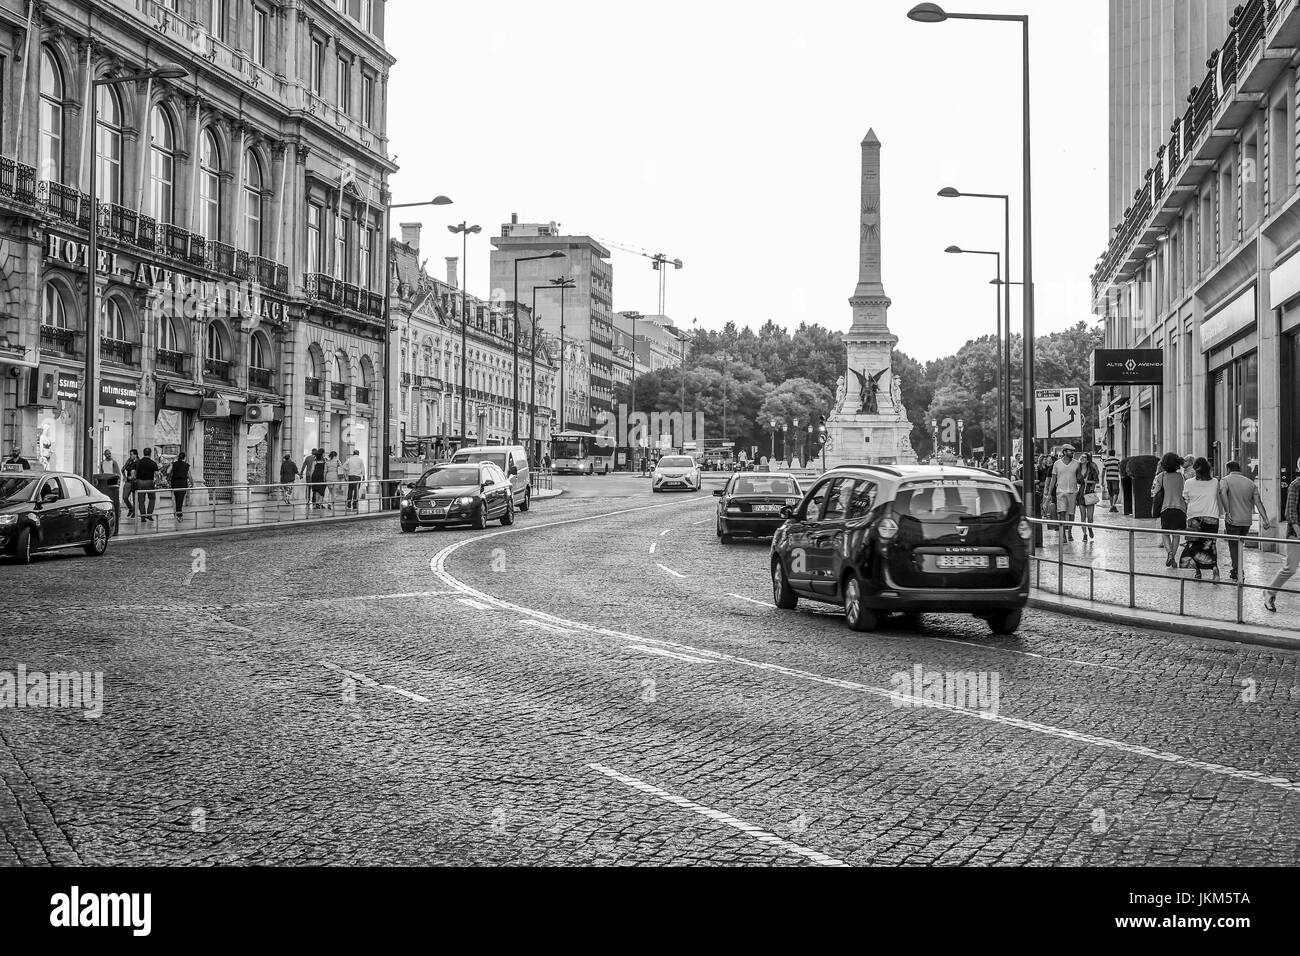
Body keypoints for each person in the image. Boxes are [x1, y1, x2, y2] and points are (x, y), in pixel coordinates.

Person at [1218, 460, 1272, 582]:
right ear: (1239, 469)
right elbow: (1258, 502)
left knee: (1233, 546)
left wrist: (1227, 511)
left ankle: (1237, 570)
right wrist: (1265, 519)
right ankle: (1236, 568)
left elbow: (1223, 493)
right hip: (1246, 521)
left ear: (1228, 469)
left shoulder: (1225, 480)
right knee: (1240, 545)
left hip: (1232, 519)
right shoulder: (1250, 483)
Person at [1265, 457, 1300, 613]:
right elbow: (1290, 512)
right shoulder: (1296, 484)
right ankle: (1270, 591)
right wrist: (1298, 533)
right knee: (1290, 568)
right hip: (1296, 534)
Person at [1182, 457, 1222, 581]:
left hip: (1194, 516)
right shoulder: (1215, 481)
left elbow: (1186, 498)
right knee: (1210, 545)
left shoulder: (1188, 482)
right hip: (1212, 516)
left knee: (1194, 545)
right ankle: (1215, 571)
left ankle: (1198, 571)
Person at [1153, 452, 1186, 566]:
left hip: (1165, 508)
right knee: (1176, 535)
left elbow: (1155, 492)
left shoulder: (1161, 477)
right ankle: (1174, 557)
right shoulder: (1181, 476)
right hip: (1180, 508)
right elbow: (1184, 492)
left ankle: (1170, 553)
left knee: (1165, 533)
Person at [1046, 445, 1083, 542]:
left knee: (1071, 513)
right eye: (1070, 451)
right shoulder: (1057, 464)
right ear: (1065, 452)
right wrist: (1049, 494)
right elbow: (1053, 480)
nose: (1072, 453)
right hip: (1060, 492)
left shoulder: (1077, 464)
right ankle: (1063, 535)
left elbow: (1080, 478)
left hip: (1073, 491)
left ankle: (1070, 532)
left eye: (1073, 452)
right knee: (1061, 513)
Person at [1076, 452, 1101, 541]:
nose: (1082, 458)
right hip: (1081, 494)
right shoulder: (1078, 469)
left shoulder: (1091, 469)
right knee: (1083, 515)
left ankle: (1090, 527)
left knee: (1090, 516)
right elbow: (1077, 481)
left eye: (1084, 457)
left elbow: (1096, 481)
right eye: (1081, 457)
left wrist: (1088, 482)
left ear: (1087, 460)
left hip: (1089, 493)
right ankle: (1084, 534)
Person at [134, 448, 159, 522]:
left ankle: (142, 517)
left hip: (140, 482)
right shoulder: (153, 463)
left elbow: (135, 473)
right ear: (150, 453)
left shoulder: (138, 462)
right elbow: (156, 474)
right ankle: (149, 515)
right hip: (149, 482)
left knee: (141, 500)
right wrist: (157, 483)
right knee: (152, 498)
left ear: (143, 453)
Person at [168, 451, 192, 520]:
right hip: (183, 483)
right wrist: (192, 483)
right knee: (180, 499)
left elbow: (169, 471)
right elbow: (189, 475)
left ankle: (177, 512)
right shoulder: (186, 465)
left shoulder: (174, 464)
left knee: (176, 498)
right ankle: (179, 513)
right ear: (184, 458)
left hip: (175, 483)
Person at [123, 449, 139, 518]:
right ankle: (130, 508)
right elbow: (123, 469)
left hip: (135, 481)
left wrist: (135, 477)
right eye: (130, 454)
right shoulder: (129, 461)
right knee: (125, 497)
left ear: (135, 455)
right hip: (129, 481)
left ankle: (134, 512)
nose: (130, 456)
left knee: (135, 499)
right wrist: (125, 477)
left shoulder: (138, 462)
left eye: (131, 454)